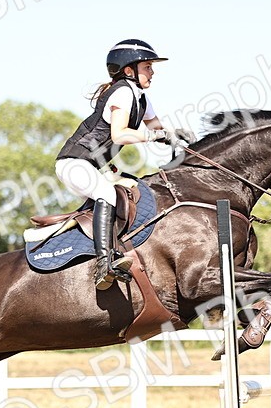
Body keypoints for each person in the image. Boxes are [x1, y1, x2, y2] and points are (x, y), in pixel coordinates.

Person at [55, 39, 194, 290]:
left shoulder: (141, 98)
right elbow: (120, 135)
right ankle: (104, 264)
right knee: (107, 194)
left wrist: (175, 135)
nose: (153, 72)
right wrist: (156, 136)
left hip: (94, 166)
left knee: (132, 189)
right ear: (129, 70)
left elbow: (156, 128)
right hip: (74, 163)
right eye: (148, 66)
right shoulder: (122, 92)